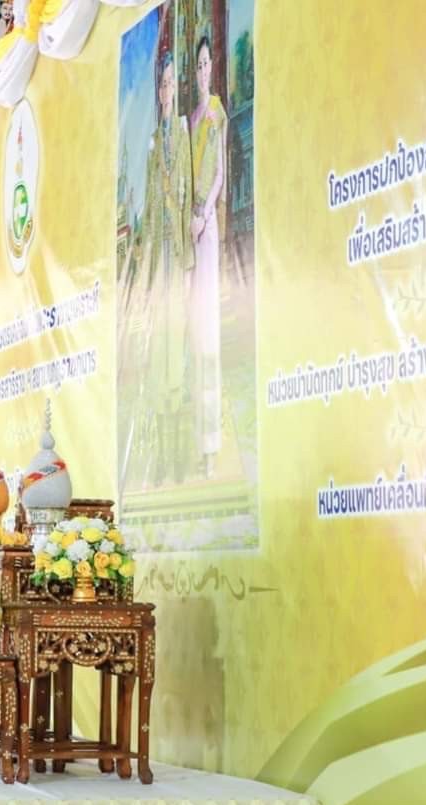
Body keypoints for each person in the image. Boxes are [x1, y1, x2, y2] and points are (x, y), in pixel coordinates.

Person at [138, 49, 193, 487]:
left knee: (179, 359)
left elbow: (187, 193)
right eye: (162, 84)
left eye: (173, 82)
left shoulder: (181, 131)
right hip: (159, 264)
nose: (167, 90)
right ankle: (160, 456)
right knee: (159, 359)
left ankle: (180, 456)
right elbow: (149, 202)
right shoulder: (153, 141)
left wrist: (186, 255)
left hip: (179, 257)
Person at [187, 35, 227, 479]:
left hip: (208, 230)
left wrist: (201, 214)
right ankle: (198, 442)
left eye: (204, 63)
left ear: (212, 66)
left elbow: (216, 172)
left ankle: (213, 445)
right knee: (194, 333)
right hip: (190, 235)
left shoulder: (214, 113)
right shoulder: (191, 117)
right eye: (195, 65)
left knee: (210, 332)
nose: (200, 71)